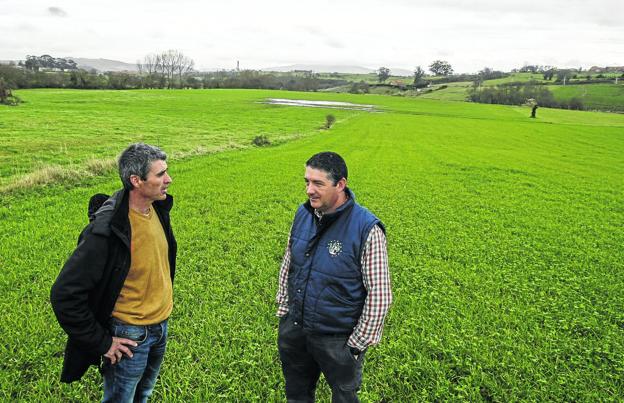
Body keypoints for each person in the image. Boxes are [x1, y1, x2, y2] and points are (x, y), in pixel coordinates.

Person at [50, 143, 177, 403]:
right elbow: (64, 294)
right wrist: (103, 343)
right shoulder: (106, 232)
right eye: (160, 174)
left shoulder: (157, 209)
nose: (169, 179)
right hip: (130, 336)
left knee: (144, 393)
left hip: (160, 326)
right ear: (136, 181)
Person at [276, 151, 392, 402]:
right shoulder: (303, 213)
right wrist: (284, 311)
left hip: (337, 339)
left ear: (340, 185)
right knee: (296, 394)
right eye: (307, 181)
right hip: (296, 330)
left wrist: (356, 345)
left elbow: (380, 294)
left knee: (343, 396)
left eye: (318, 183)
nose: (309, 190)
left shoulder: (366, 228)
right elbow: (289, 262)